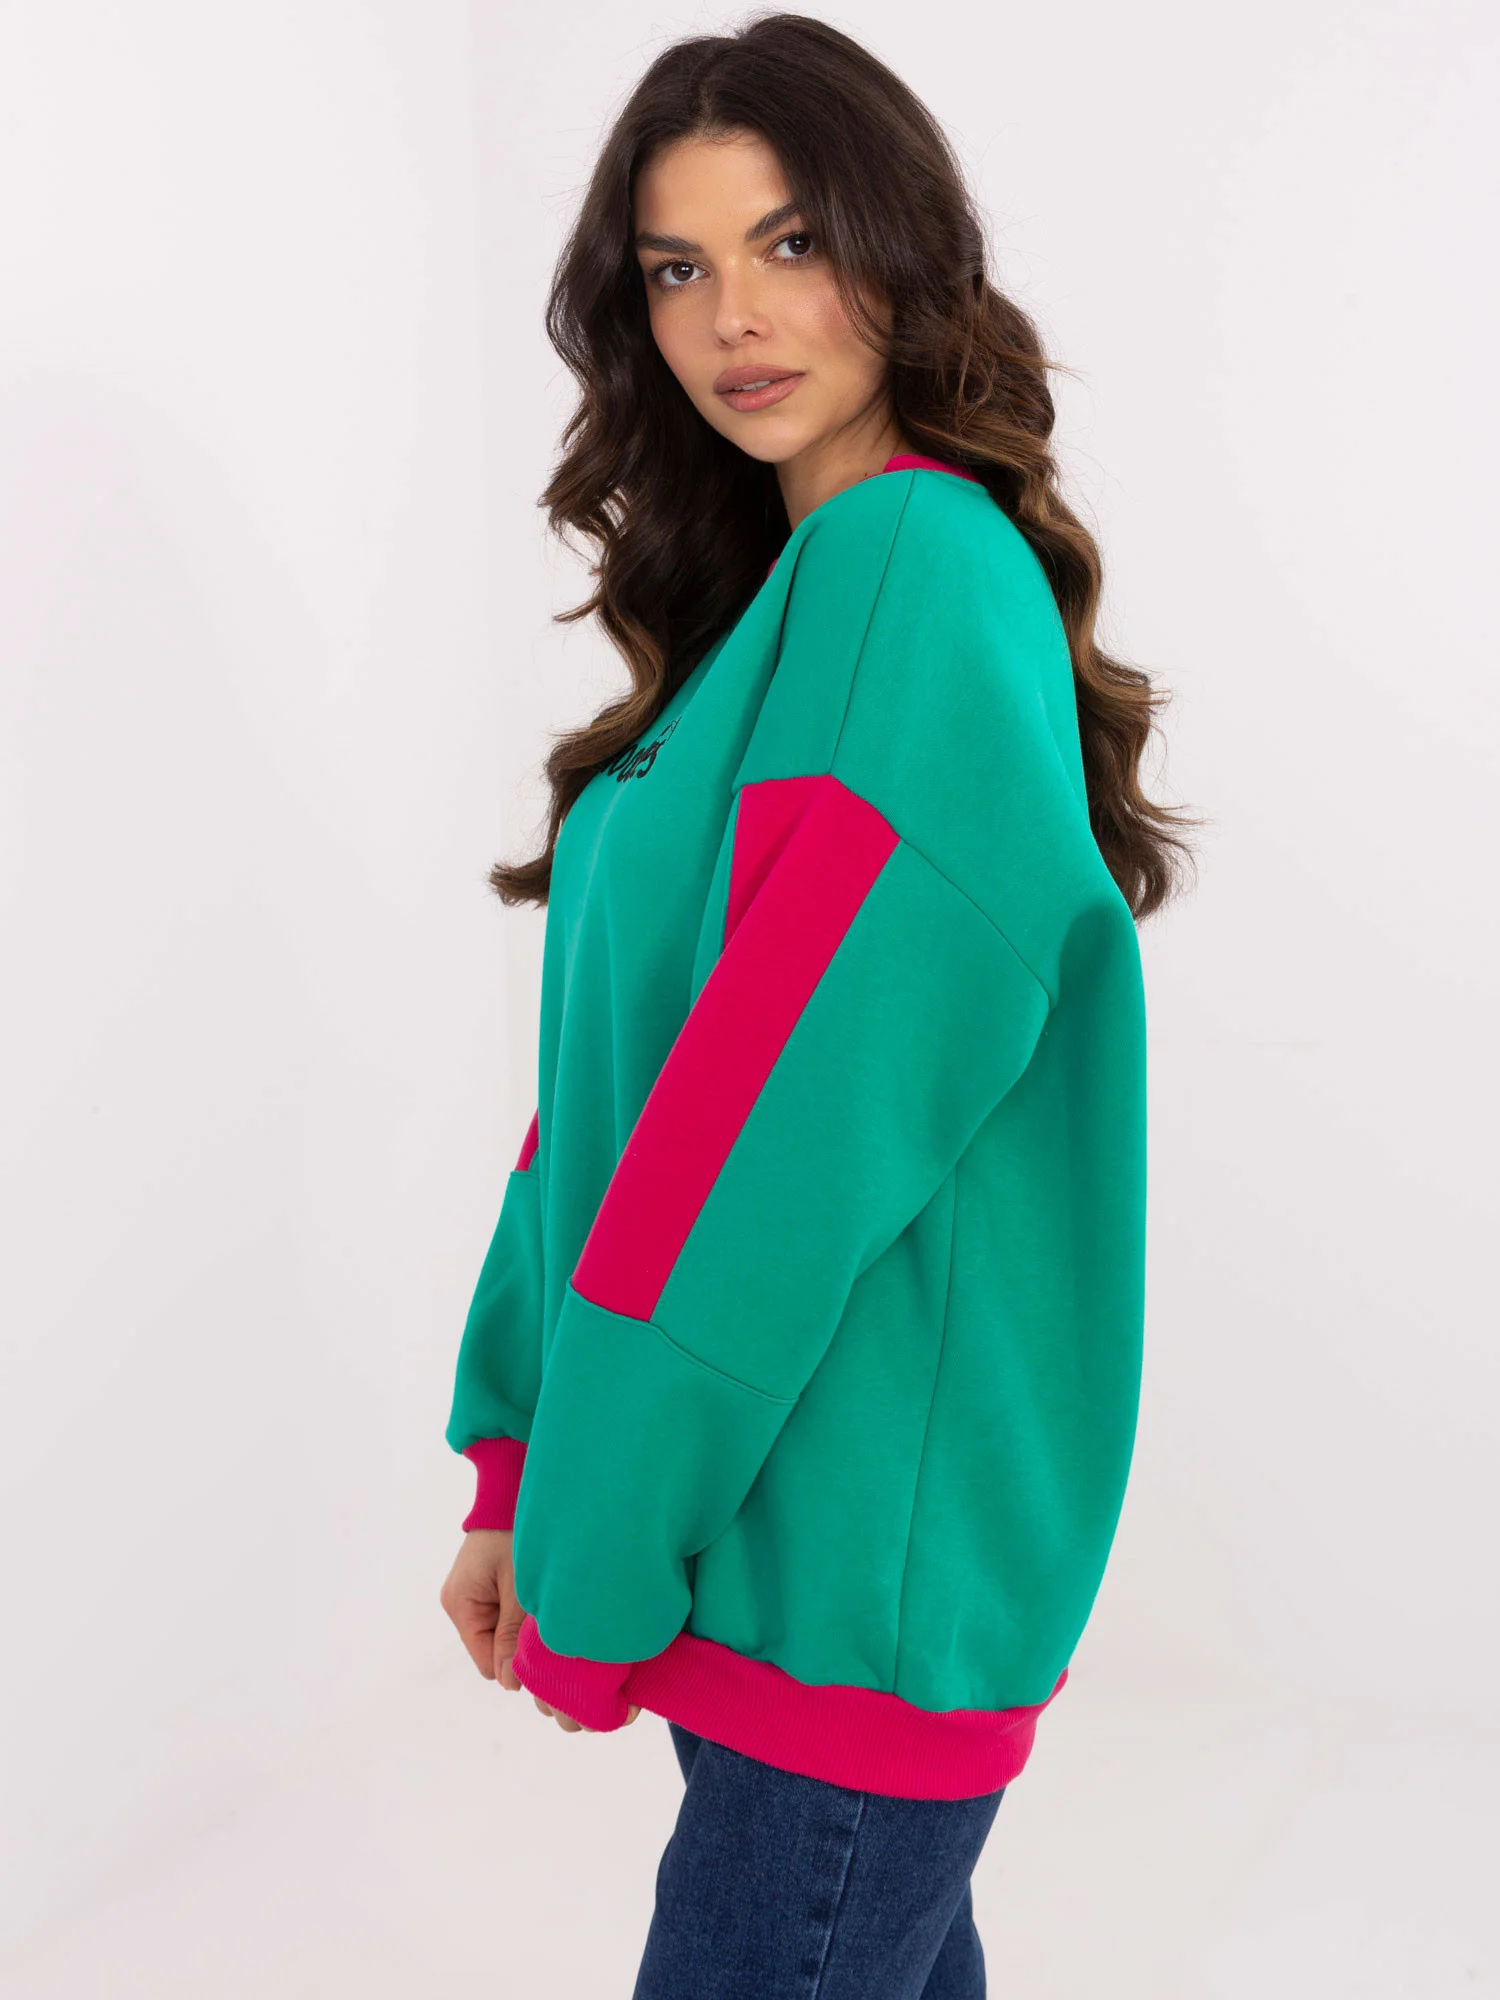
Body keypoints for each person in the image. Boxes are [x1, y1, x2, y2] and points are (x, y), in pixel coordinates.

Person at [438, 14, 1196, 1996]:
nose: (735, 318)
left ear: (898, 243)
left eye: (788, 242)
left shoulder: (910, 567)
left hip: (850, 1573)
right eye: (676, 268)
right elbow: (613, 1093)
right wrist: (522, 1455)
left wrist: (600, 1510)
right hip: (779, 1542)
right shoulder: (778, 613)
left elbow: (773, 1128)